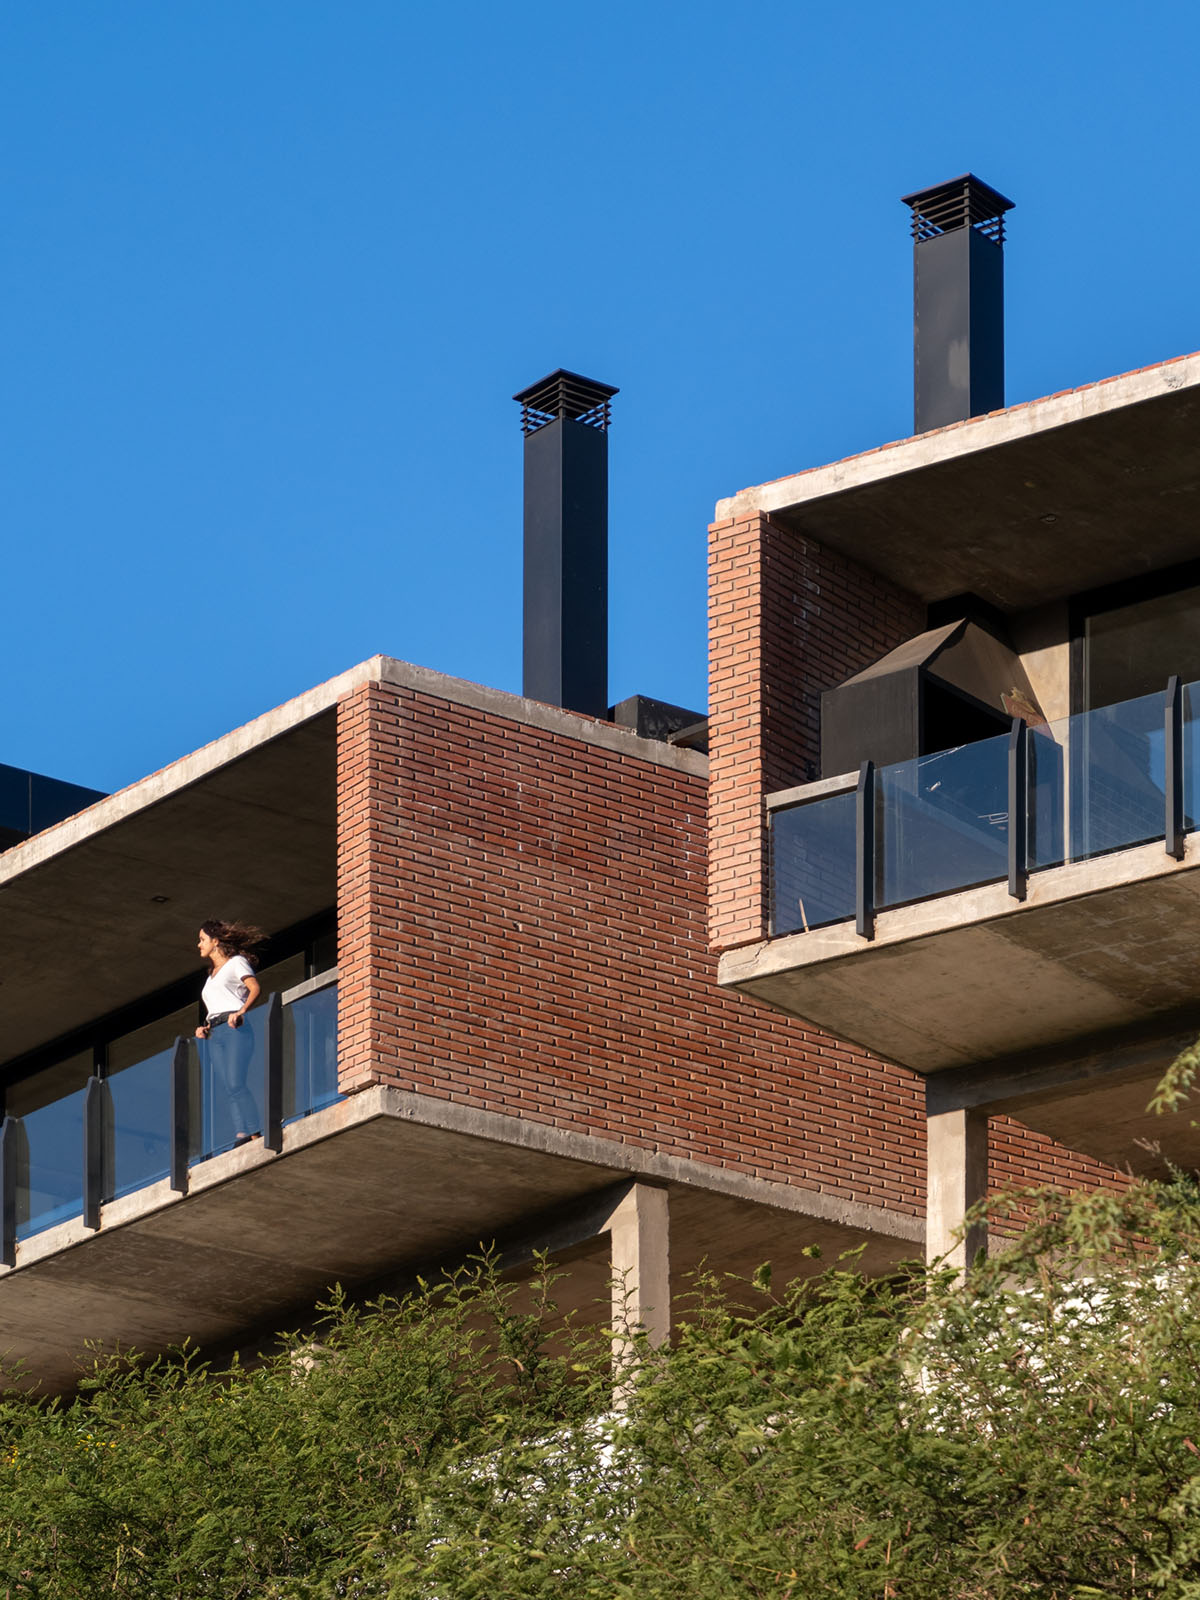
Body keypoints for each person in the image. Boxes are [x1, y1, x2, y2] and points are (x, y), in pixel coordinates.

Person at [195, 919, 265, 1147]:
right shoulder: (210, 976)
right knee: (228, 1086)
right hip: (215, 1033)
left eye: (202, 939)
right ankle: (241, 1133)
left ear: (215, 942)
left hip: (235, 1027)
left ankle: (255, 1132)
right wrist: (204, 1026)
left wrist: (242, 1011)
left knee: (236, 1082)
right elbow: (215, 1005)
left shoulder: (236, 963)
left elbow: (255, 988)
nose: (199, 945)